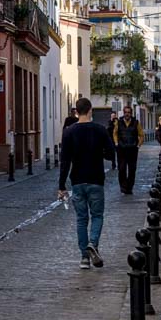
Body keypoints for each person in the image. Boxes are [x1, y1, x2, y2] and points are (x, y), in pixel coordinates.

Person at [58, 97, 115, 270]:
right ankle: (93, 243)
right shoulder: (100, 130)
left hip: (77, 181)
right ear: (90, 110)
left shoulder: (69, 132)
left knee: (81, 219)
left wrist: (61, 186)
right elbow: (111, 153)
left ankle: (84, 258)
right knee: (97, 215)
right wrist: (101, 154)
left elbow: (65, 161)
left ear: (76, 111)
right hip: (96, 179)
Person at [113, 105, 144, 194]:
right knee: (121, 169)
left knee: (132, 169)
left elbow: (141, 135)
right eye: (125, 112)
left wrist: (138, 145)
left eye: (129, 112)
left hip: (132, 149)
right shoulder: (118, 122)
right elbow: (115, 133)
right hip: (121, 149)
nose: (127, 114)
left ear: (131, 113)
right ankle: (123, 187)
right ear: (123, 113)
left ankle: (129, 187)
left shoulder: (136, 122)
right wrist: (116, 143)